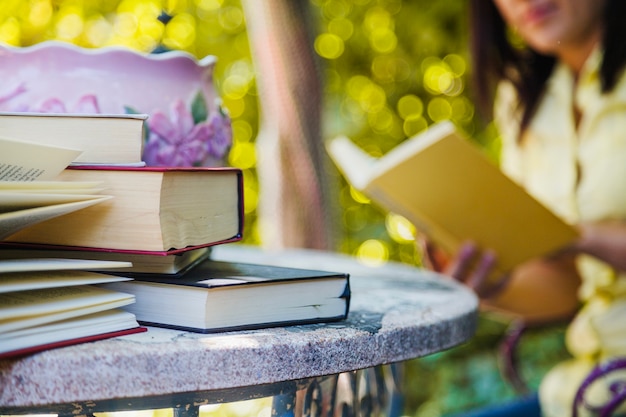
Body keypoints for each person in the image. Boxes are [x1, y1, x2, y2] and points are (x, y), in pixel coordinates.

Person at [429, 0, 626, 416]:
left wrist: (580, 236)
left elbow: (572, 243)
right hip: (588, 391)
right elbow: (567, 287)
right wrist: (491, 283)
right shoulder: (524, 99)